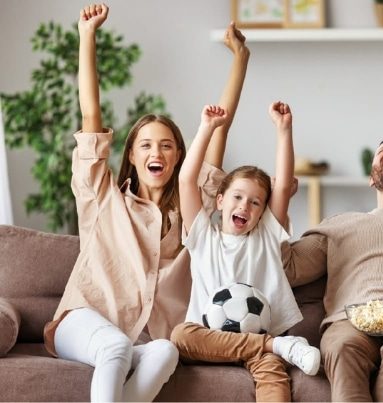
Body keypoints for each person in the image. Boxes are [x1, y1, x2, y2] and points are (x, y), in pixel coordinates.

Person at [42, 4, 251, 401]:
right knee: (116, 346)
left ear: (177, 159)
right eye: (146, 145)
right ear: (133, 157)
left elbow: (220, 127)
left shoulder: (191, 211)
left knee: (167, 350)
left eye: (168, 145)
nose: (157, 151)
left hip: (143, 337)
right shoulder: (102, 197)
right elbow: (90, 114)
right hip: (83, 323)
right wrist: (87, 37)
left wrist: (241, 59)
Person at [170, 101, 321, 402]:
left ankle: (270, 349)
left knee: (274, 379)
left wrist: (284, 130)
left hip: (259, 333)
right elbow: (186, 181)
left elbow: (281, 185)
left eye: (255, 202)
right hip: (213, 340)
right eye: (238, 197)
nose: (245, 206)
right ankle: (276, 347)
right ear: (221, 201)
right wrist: (207, 128)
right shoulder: (203, 237)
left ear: (263, 212)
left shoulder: (265, 235)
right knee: (180, 336)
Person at [280, 137, 383, 401]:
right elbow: (288, 268)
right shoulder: (339, 225)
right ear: (372, 179)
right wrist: (280, 201)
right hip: (350, 322)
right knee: (340, 346)